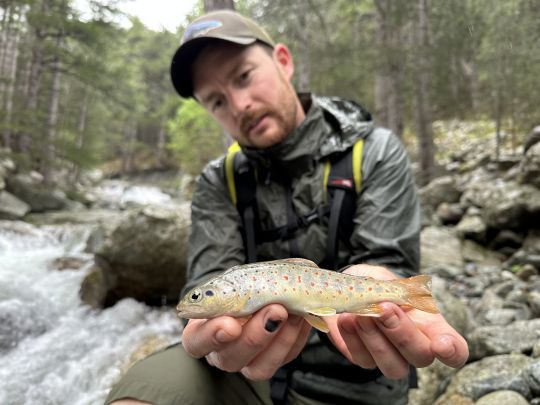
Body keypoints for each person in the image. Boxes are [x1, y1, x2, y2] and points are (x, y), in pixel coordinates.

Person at [106, 10, 468, 405]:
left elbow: (390, 258)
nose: (239, 104)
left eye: (244, 76)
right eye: (216, 100)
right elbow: (211, 273)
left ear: (283, 61)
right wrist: (216, 338)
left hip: (362, 375)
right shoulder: (217, 180)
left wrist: (387, 284)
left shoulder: (376, 152)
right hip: (247, 373)